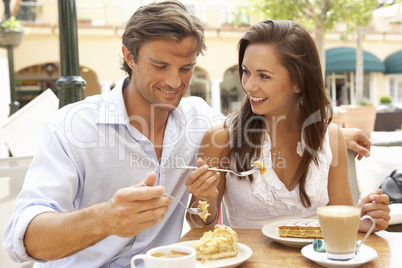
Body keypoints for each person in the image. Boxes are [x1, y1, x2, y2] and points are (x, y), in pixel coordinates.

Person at [2, 2, 373, 267]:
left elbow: (260, 120)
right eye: (160, 65)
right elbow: (23, 239)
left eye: (186, 68)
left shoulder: (200, 121)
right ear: (128, 56)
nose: (174, 82)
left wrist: (333, 132)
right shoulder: (73, 127)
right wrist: (104, 219)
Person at [186, 20, 390, 233]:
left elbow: (341, 221)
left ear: (298, 82)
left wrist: (362, 220)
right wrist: (204, 198)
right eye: (246, 71)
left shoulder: (331, 138)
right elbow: (200, 226)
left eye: (264, 76)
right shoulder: (221, 138)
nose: (248, 85)